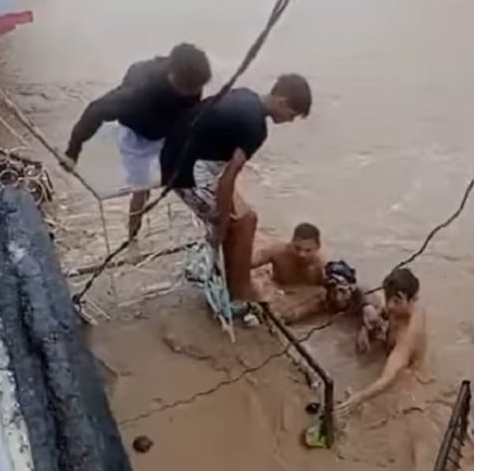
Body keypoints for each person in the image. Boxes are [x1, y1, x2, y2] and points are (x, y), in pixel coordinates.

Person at [161, 74, 312, 311]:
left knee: (247, 217)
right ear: (282, 101)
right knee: (239, 224)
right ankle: (238, 290)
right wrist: (222, 224)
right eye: (291, 115)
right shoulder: (257, 129)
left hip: (179, 152)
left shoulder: (245, 94)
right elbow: (228, 177)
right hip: (183, 173)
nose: (289, 121)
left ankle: (234, 277)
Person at [63, 43, 212, 241]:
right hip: (138, 133)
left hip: (170, 126)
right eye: (192, 88)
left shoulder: (192, 85)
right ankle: (132, 237)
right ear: (174, 77)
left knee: (184, 172)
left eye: (199, 88)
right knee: (141, 190)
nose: (197, 92)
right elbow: (95, 110)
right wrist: (72, 152)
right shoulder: (136, 97)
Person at [337, 268, 427, 413]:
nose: (390, 305)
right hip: (389, 351)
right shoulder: (398, 307)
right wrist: (364, 329)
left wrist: (358, 398)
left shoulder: (408, 334)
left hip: (406, 374)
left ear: (413, 300)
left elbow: (387, 378)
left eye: (397, 301)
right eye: (387, 298)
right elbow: (382, 311)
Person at [252, 222, 325, 286]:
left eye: (308, 250)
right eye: (297, 248)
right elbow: (249, 262)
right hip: (276, 286)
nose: (302, 254)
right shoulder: (277, 251)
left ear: (317, 248)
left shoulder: (320, 265)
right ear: (291, 242)